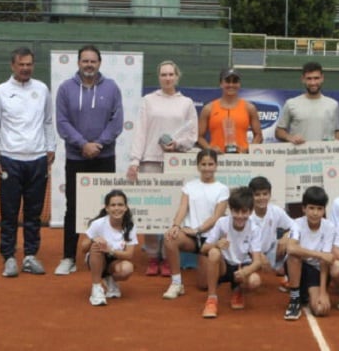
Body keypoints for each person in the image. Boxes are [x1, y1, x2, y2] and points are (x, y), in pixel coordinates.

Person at [54, 45, 124, 276]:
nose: (89, 65)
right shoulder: (65, 89)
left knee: (108, 208)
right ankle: (68, 257)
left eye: (93, 61)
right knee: (73, 208)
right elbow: (62, 122)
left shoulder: (112, 88)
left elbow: (116, 121)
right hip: (77, 157)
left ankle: (105, 254)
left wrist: (98, 144)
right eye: (85, 61)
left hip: (104, 157)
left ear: (99, 63)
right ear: (78, 63)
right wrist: (83, 144)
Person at [126, 60, 198, 277]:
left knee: (171, 213)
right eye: (163, 74)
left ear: (177, 77)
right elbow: (140, 131)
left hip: (175, 164)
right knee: (150, 212)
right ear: (159, 77)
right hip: (150, 161)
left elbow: (192, 135)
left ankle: (167, 256)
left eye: (171, 74)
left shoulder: (186, 103)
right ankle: (152, 257)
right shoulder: (148, 101)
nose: (167, 78)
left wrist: (177, 145)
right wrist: (135, 161)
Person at [0, 47, 56, 277]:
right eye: (21, 64)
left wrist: (51, 147)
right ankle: (8, 257)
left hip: (37, 160)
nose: (25, 68)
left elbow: (48, 121)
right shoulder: (0, 92)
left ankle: (30, 255)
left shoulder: (42, 89)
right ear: (13, 66)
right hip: (10, 159)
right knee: (9, 213)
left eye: (29, 64)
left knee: (33, 212)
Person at [162, 149, 229, 299]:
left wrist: (198, 230)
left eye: (210, 164)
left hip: (210, 239)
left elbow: (216, 217)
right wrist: (175, 226)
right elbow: (182, 208)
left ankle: (221, 267)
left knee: (203, 285)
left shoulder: (222, 189)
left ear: (216, 166)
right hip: (191, 238)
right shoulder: (189, 186)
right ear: (198, 166)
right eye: (203, 164)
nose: (207, 168)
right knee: (170, 237)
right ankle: (176, 283)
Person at [200, 186, 264, 318]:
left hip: (242, 266)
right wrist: (217, 244)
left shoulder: (254, 228)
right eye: (236, 212)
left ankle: (238, 289)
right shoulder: (222, 223)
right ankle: (212, 299)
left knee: (255, 281)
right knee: (213, 253)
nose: (240, 216)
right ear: (230, 210)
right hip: (224, 266)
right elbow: (203, 249)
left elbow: (257, 262)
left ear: (251, 211)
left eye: (244, 212)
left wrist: (245, 272)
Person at [284, 186, 335, 320]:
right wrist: (319, 254)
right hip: (298, 267)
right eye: (311, 208)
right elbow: (291, 248)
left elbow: (325, 262)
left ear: (324, 210)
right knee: (294, 256)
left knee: (320, 310)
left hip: (316, 270)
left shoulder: (329, 227)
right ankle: (294, 299)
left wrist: (323, 292)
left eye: (319, 209)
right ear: (304, 208)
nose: (315, 213)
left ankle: (306, 293)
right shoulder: (297, 223)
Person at [80, 189, 138, 306]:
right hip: (96, 259)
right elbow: (83, 248)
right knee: (97, 246)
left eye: (120, 205)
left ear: (126, 207)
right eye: (113, 205)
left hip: (114, 260)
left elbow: (129, 255)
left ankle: (109, 279)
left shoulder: (130, 226)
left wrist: (110, 250)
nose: (117, 208)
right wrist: (93, 239)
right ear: (107, 208)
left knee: (127, 268)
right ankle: (96, 289)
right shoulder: (98, 223)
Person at [275, 61, 339, 144]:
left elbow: (337, 132)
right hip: (298, 155)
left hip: (325, 156)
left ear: (322, 78)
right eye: (309, 78)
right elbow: (279, 131)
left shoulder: (333, 105)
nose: (313, 83)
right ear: (303, 79)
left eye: (316, 78)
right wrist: (290, 137)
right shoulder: (291, 103)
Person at [197, 68, 262, 154]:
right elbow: (199, 137)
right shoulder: (208, 109)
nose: (231, 85)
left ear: (239, 84)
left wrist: (248, 150)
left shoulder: (249, 108)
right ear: (221, 84)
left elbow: (258, 135)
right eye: (227, 81)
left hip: (242, 159)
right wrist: (210, 149)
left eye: (235, 81)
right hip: (216, 159)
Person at [247, 176, 294, 278]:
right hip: (250, 254)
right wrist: (258, 254)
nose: (262, 198)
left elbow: (295, 226)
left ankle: (284, 271)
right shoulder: (246, 214)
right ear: (251, 196)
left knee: (292, 242)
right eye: (257, 195)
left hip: (271, 252)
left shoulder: (275, 210)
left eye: (265, 194)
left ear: (270, 194)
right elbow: (241, 241)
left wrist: (286, 236)